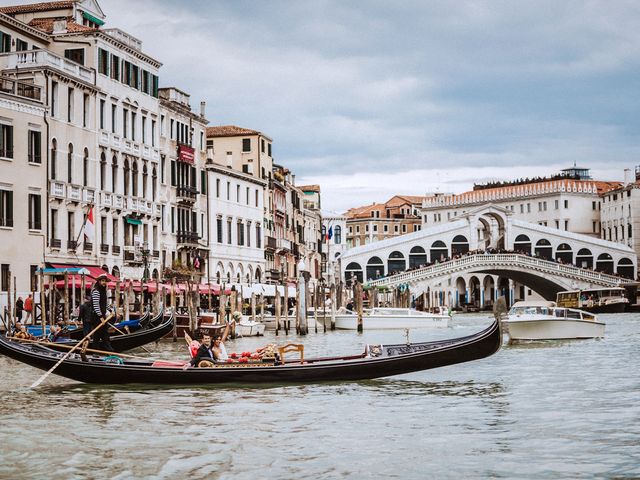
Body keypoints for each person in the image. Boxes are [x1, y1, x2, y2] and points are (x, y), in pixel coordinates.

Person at [91, 274, 113, 351]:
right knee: (98, 334)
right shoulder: (96, 291)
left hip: (102, 316)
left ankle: (107, 349)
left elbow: (105, 304)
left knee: (104, 333)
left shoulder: (104, 291)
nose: (104, 282)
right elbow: (96, 305)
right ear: (99, 281)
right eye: (103, 281)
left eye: (105, 281)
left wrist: (111, 310)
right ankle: (97, 350)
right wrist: (100, 317)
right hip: (96, 316)